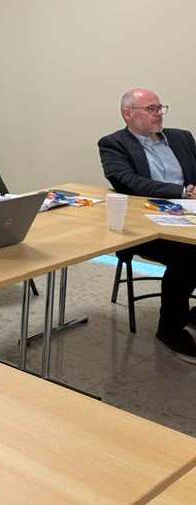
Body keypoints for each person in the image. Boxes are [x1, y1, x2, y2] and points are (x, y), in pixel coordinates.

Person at [98, 88, 196, 363]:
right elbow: (128, 182)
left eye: (160, 108)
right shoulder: (113, 144)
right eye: (151, 109)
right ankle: (170, 330)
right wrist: (182, 193)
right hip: (145, 226)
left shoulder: (182, 137)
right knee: (191, 256)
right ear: (127, 114)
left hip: (190, 215)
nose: (159, 114)